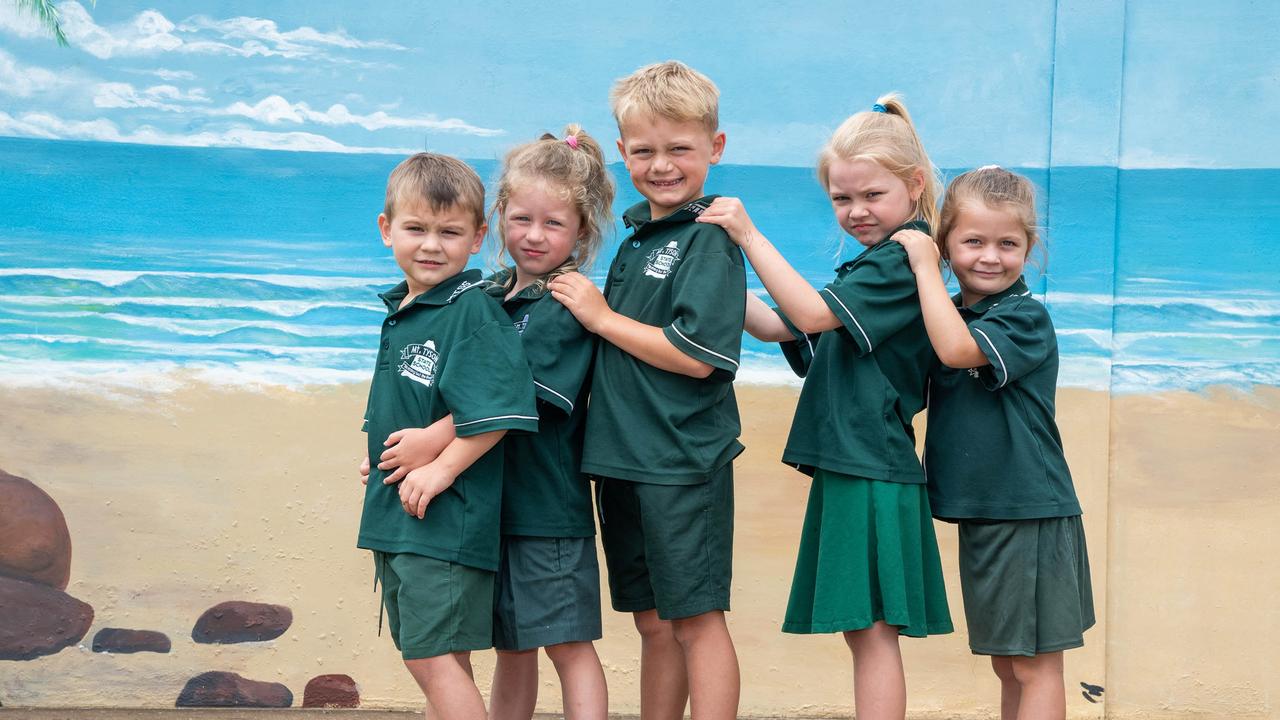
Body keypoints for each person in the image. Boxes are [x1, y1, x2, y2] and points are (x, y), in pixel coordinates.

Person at [695, 94, 953, 720]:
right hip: (854, 460)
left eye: (872, 196)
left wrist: (748, 235)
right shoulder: (876, 261)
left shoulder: (901, 256)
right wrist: (712, 267)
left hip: (872, 460)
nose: (856, 211)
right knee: (861, 630)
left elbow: (809, 313)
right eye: (842, 199)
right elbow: (777, 325)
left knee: (871, 631)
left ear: (914, 186)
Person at [548, 61, 745, 720]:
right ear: (624, 154)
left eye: (679, 149)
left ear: (714, 149)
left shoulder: (708, 239)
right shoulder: (638, 236)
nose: (661, 165)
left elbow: (697, 356)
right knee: (654, 623)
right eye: (644, 151)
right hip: (621, 458)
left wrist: (602, 317)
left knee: (697, 619)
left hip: (681, 462)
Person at [891, 166, 1094, 720]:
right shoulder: (953, 313)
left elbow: (957, 352)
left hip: (1027, 506)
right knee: (1008, 663)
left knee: (1034, 666)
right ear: (948, 243)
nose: (989, 256)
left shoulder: (1023, 317)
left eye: (1008, 243)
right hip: (987, 509)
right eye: (973, 241)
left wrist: (924, 269)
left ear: (1030, 249)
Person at [356, 152, 538, 720]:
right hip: (401, 511)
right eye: (416, 229)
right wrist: (376, 456)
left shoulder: (471, 312)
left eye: (450, 232)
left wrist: (441, 468)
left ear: (478, 237)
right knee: (437, 659)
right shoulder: (406, 311)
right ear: (387, 229)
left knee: (431, 658)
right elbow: (409, 401)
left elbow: (503, 407)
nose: (431, 245)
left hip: (447, 517)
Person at [483, 125, 614, 720]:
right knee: (511, 645)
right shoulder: (486, 296)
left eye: (554, 224)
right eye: (521, 219)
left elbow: (517, 402)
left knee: (567, 644)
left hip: (547, 509)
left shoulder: (565, 302)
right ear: (500, 214)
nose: (533, 236)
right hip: (493, 505)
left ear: (582, 231)